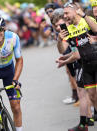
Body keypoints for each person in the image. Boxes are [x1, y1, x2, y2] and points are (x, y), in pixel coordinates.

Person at [56, 2, 97, 131]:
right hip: (85, 65)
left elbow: (96, 30)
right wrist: (59, 39)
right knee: (91, 95)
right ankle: (84, 123)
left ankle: (84, 123)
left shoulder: (87, 20)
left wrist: (84, 15)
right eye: (64, 14)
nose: (65, 16)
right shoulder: (69, 29)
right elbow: (63, 49)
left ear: (75, 11)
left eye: (67, 13)